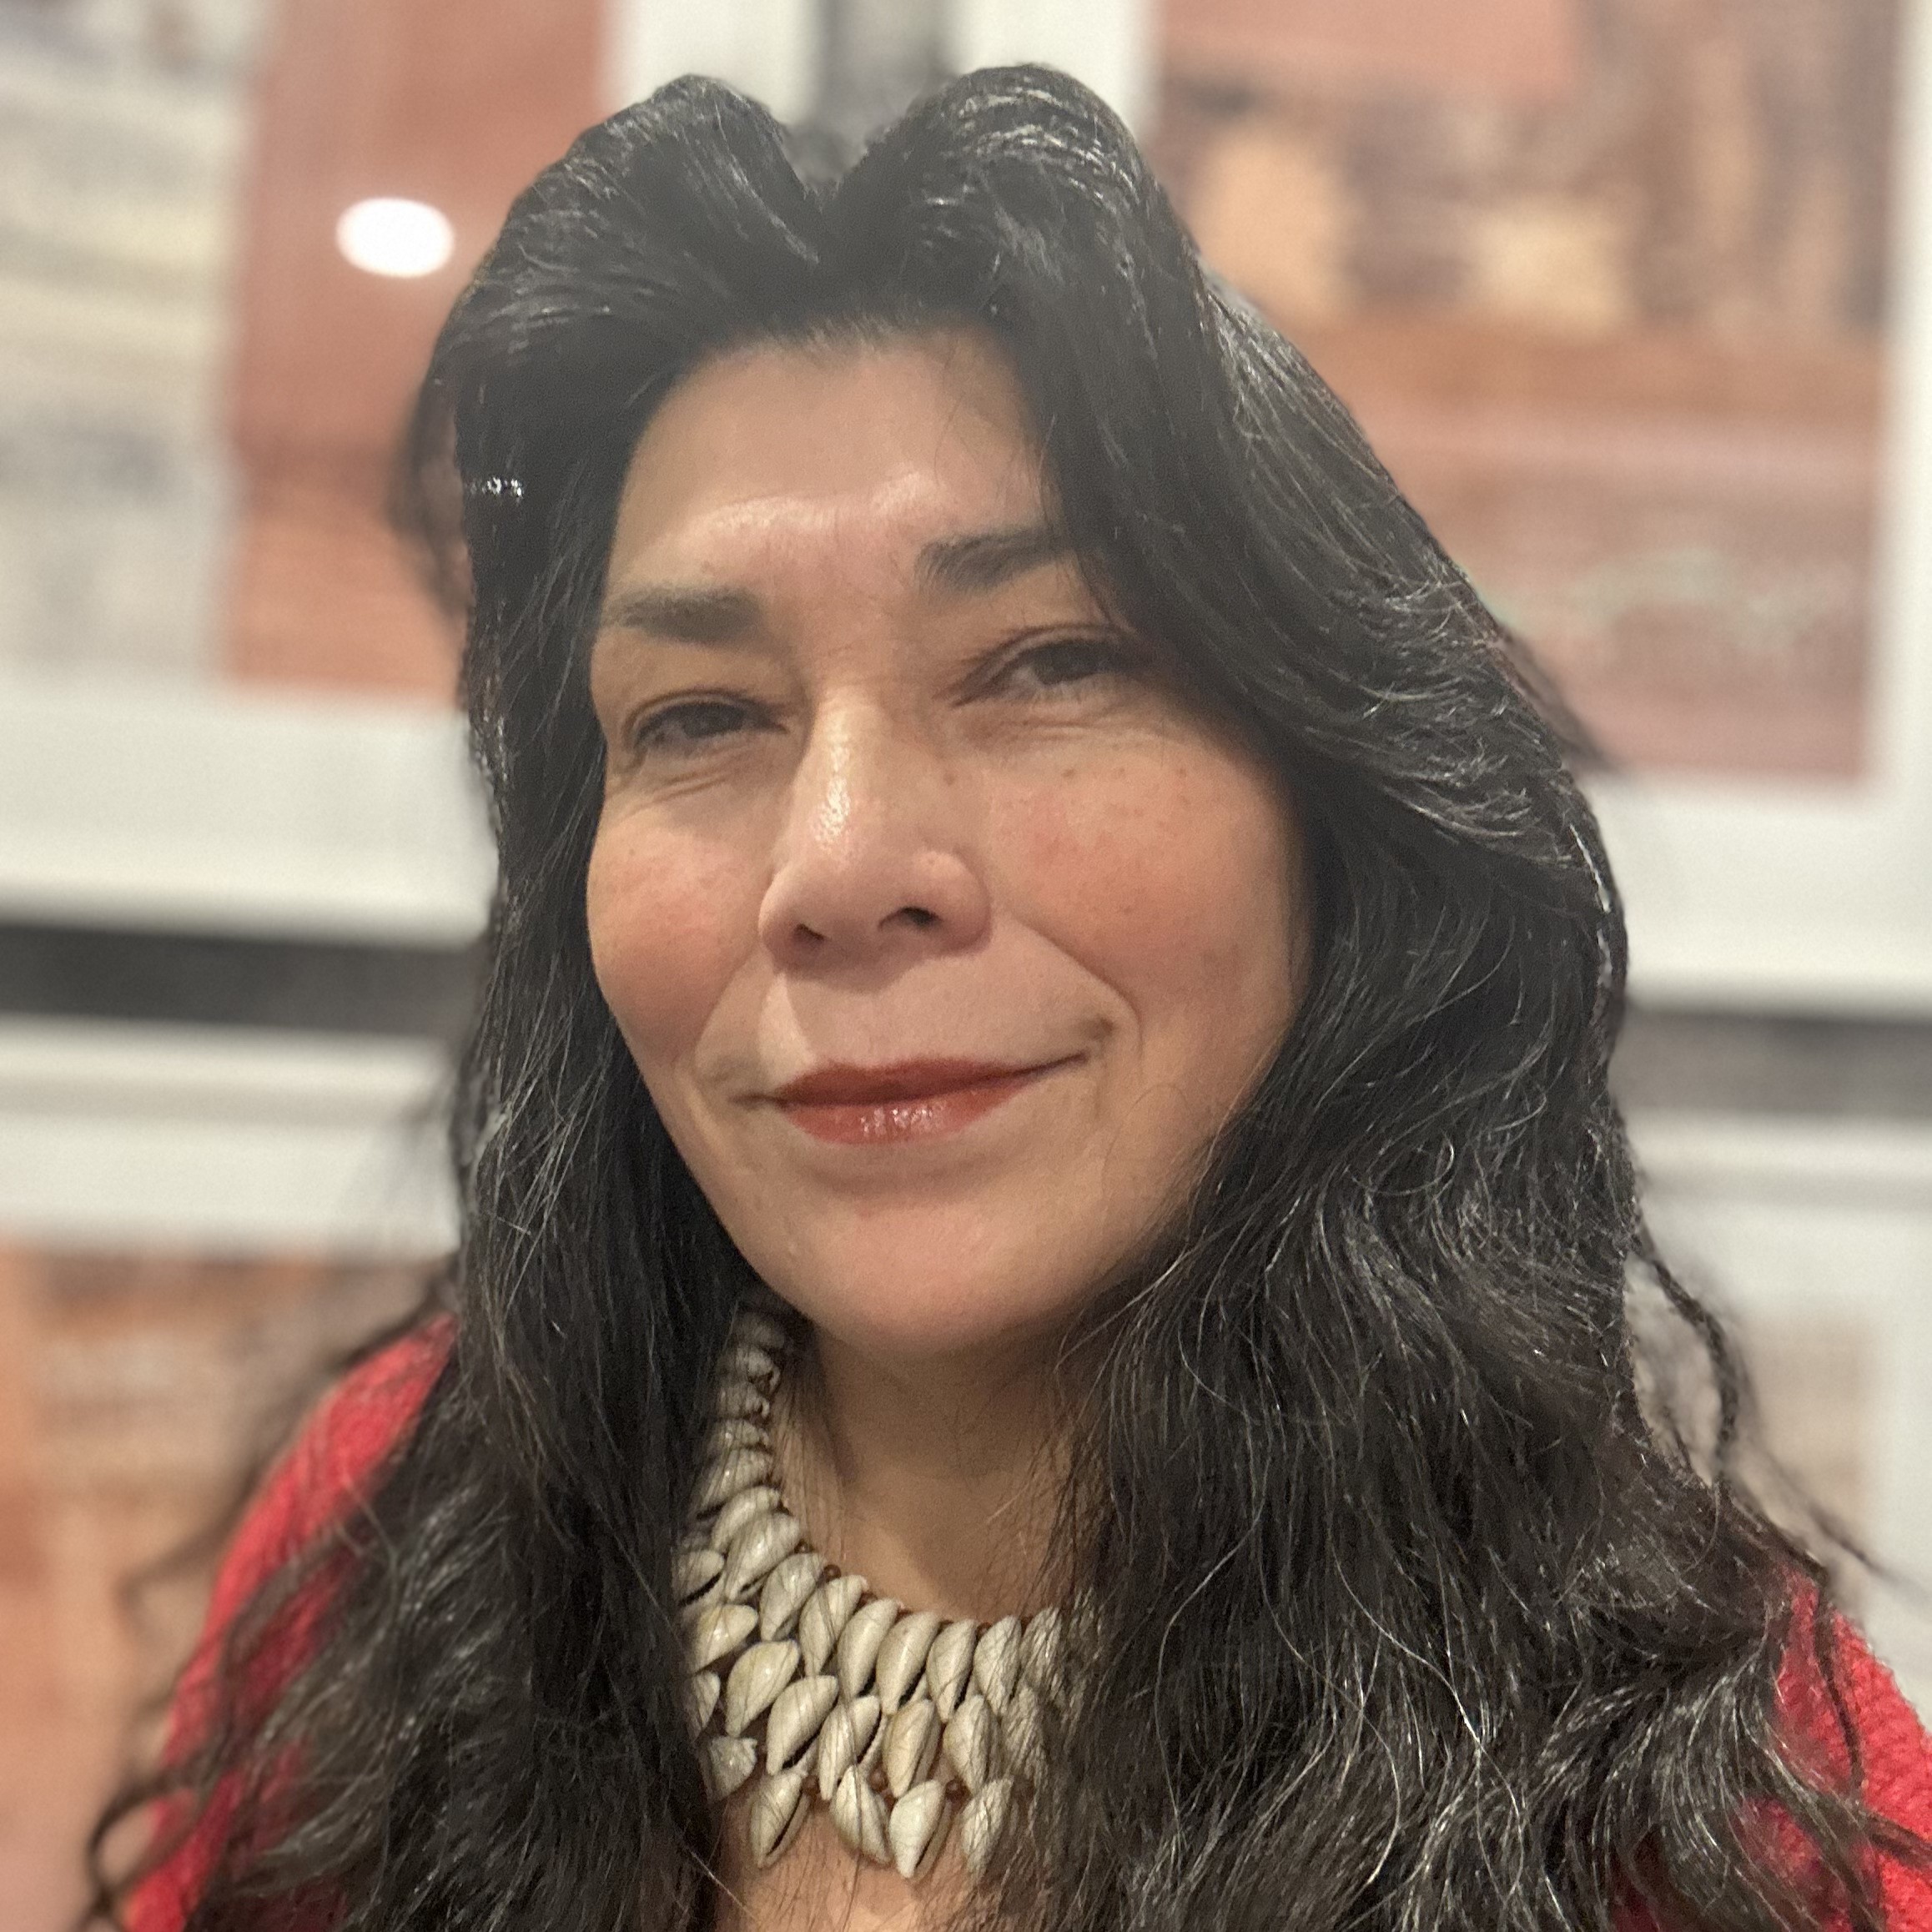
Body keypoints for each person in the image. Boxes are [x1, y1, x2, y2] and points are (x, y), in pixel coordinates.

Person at [95, 66, 1931, 1932]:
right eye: (702, 717)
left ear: (1335, 812)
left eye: (1047, 663)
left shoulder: (1719, 1825)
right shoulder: (397, 1556)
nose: (839, 863)